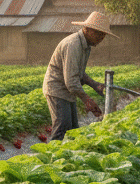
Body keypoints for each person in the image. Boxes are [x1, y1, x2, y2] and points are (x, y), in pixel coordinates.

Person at [42, 11, 117, 140]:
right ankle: (52, 158)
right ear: (87, 30)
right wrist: (87, 100)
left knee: (73, 130)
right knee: (62, 128)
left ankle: (65, 158)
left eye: (103, 35)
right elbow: (71, 81)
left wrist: (95, 85)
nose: (101, 38)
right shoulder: (73, 45)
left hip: (67, 91)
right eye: (99, 34)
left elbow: (79, 72)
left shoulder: (86, 46)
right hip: (57, 89)